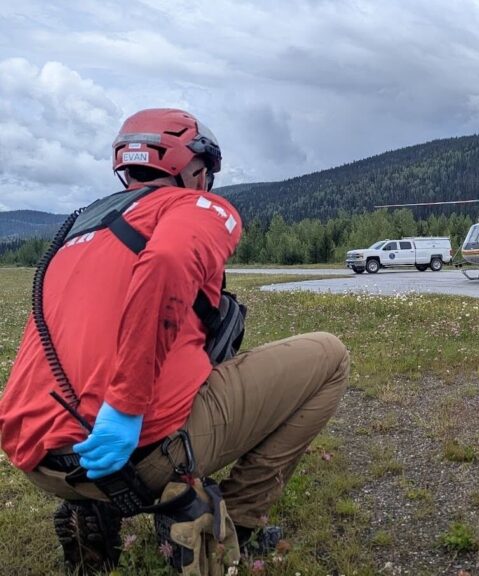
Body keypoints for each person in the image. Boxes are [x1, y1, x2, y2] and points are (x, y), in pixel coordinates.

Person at [0, 108, 349, 574]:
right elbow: (168, 260)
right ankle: (234, 526)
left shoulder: (79, 232)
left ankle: (94, 513)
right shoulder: (196, 207)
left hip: (42, 459)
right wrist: (125, 408)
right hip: (134, 452)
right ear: (197, 170)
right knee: (330, 357)